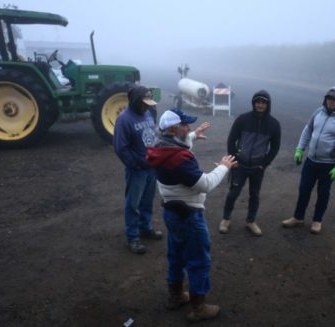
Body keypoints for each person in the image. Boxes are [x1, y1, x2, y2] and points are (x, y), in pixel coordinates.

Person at [146, 108, 237, 322]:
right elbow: (205, 184)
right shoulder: (180, 160)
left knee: (176, 256)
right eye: (185, 125)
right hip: (189, 215)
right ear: (174, 128)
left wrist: (194, 134)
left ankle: (176, 296)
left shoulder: (160, 147)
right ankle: (198, 308)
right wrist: (224, 167)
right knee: (198, 261)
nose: (188, 128)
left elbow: (180, 144)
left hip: (172, 212)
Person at [282, 86, 335, 234]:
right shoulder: (318, 112)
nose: (330, 102)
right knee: (303, 189)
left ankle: (317, 221)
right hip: (311, 161)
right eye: (328, 98)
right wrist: (300, 149)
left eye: (334, 99)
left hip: (329, 164)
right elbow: (308, 129)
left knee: (323, 193)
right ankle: (298, 217)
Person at [219, 90, 281, 236]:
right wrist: (233, 159)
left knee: (254, 195)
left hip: (257, 168)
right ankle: (226, 219)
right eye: (258, 102)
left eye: (263, 103)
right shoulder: (243, 119)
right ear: (254, 103)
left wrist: (264, 164)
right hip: (239, 165)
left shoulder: (273, 124)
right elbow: (231, 140)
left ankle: (251, 221)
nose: (260, 105)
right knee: (233, 193)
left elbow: (275, 147)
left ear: (268, 105)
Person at [113, 86, 163, 254]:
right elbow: (121, 147)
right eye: (144, 103)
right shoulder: (124, 119)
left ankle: (145, 228)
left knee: (147, 202)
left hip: (151, 168)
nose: (147, 106)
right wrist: (135, 164)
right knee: (133, 204)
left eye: (149, 103)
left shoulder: (148, 113)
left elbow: (152, 134)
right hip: (137, 170)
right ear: (135, 102)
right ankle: (132, 237)